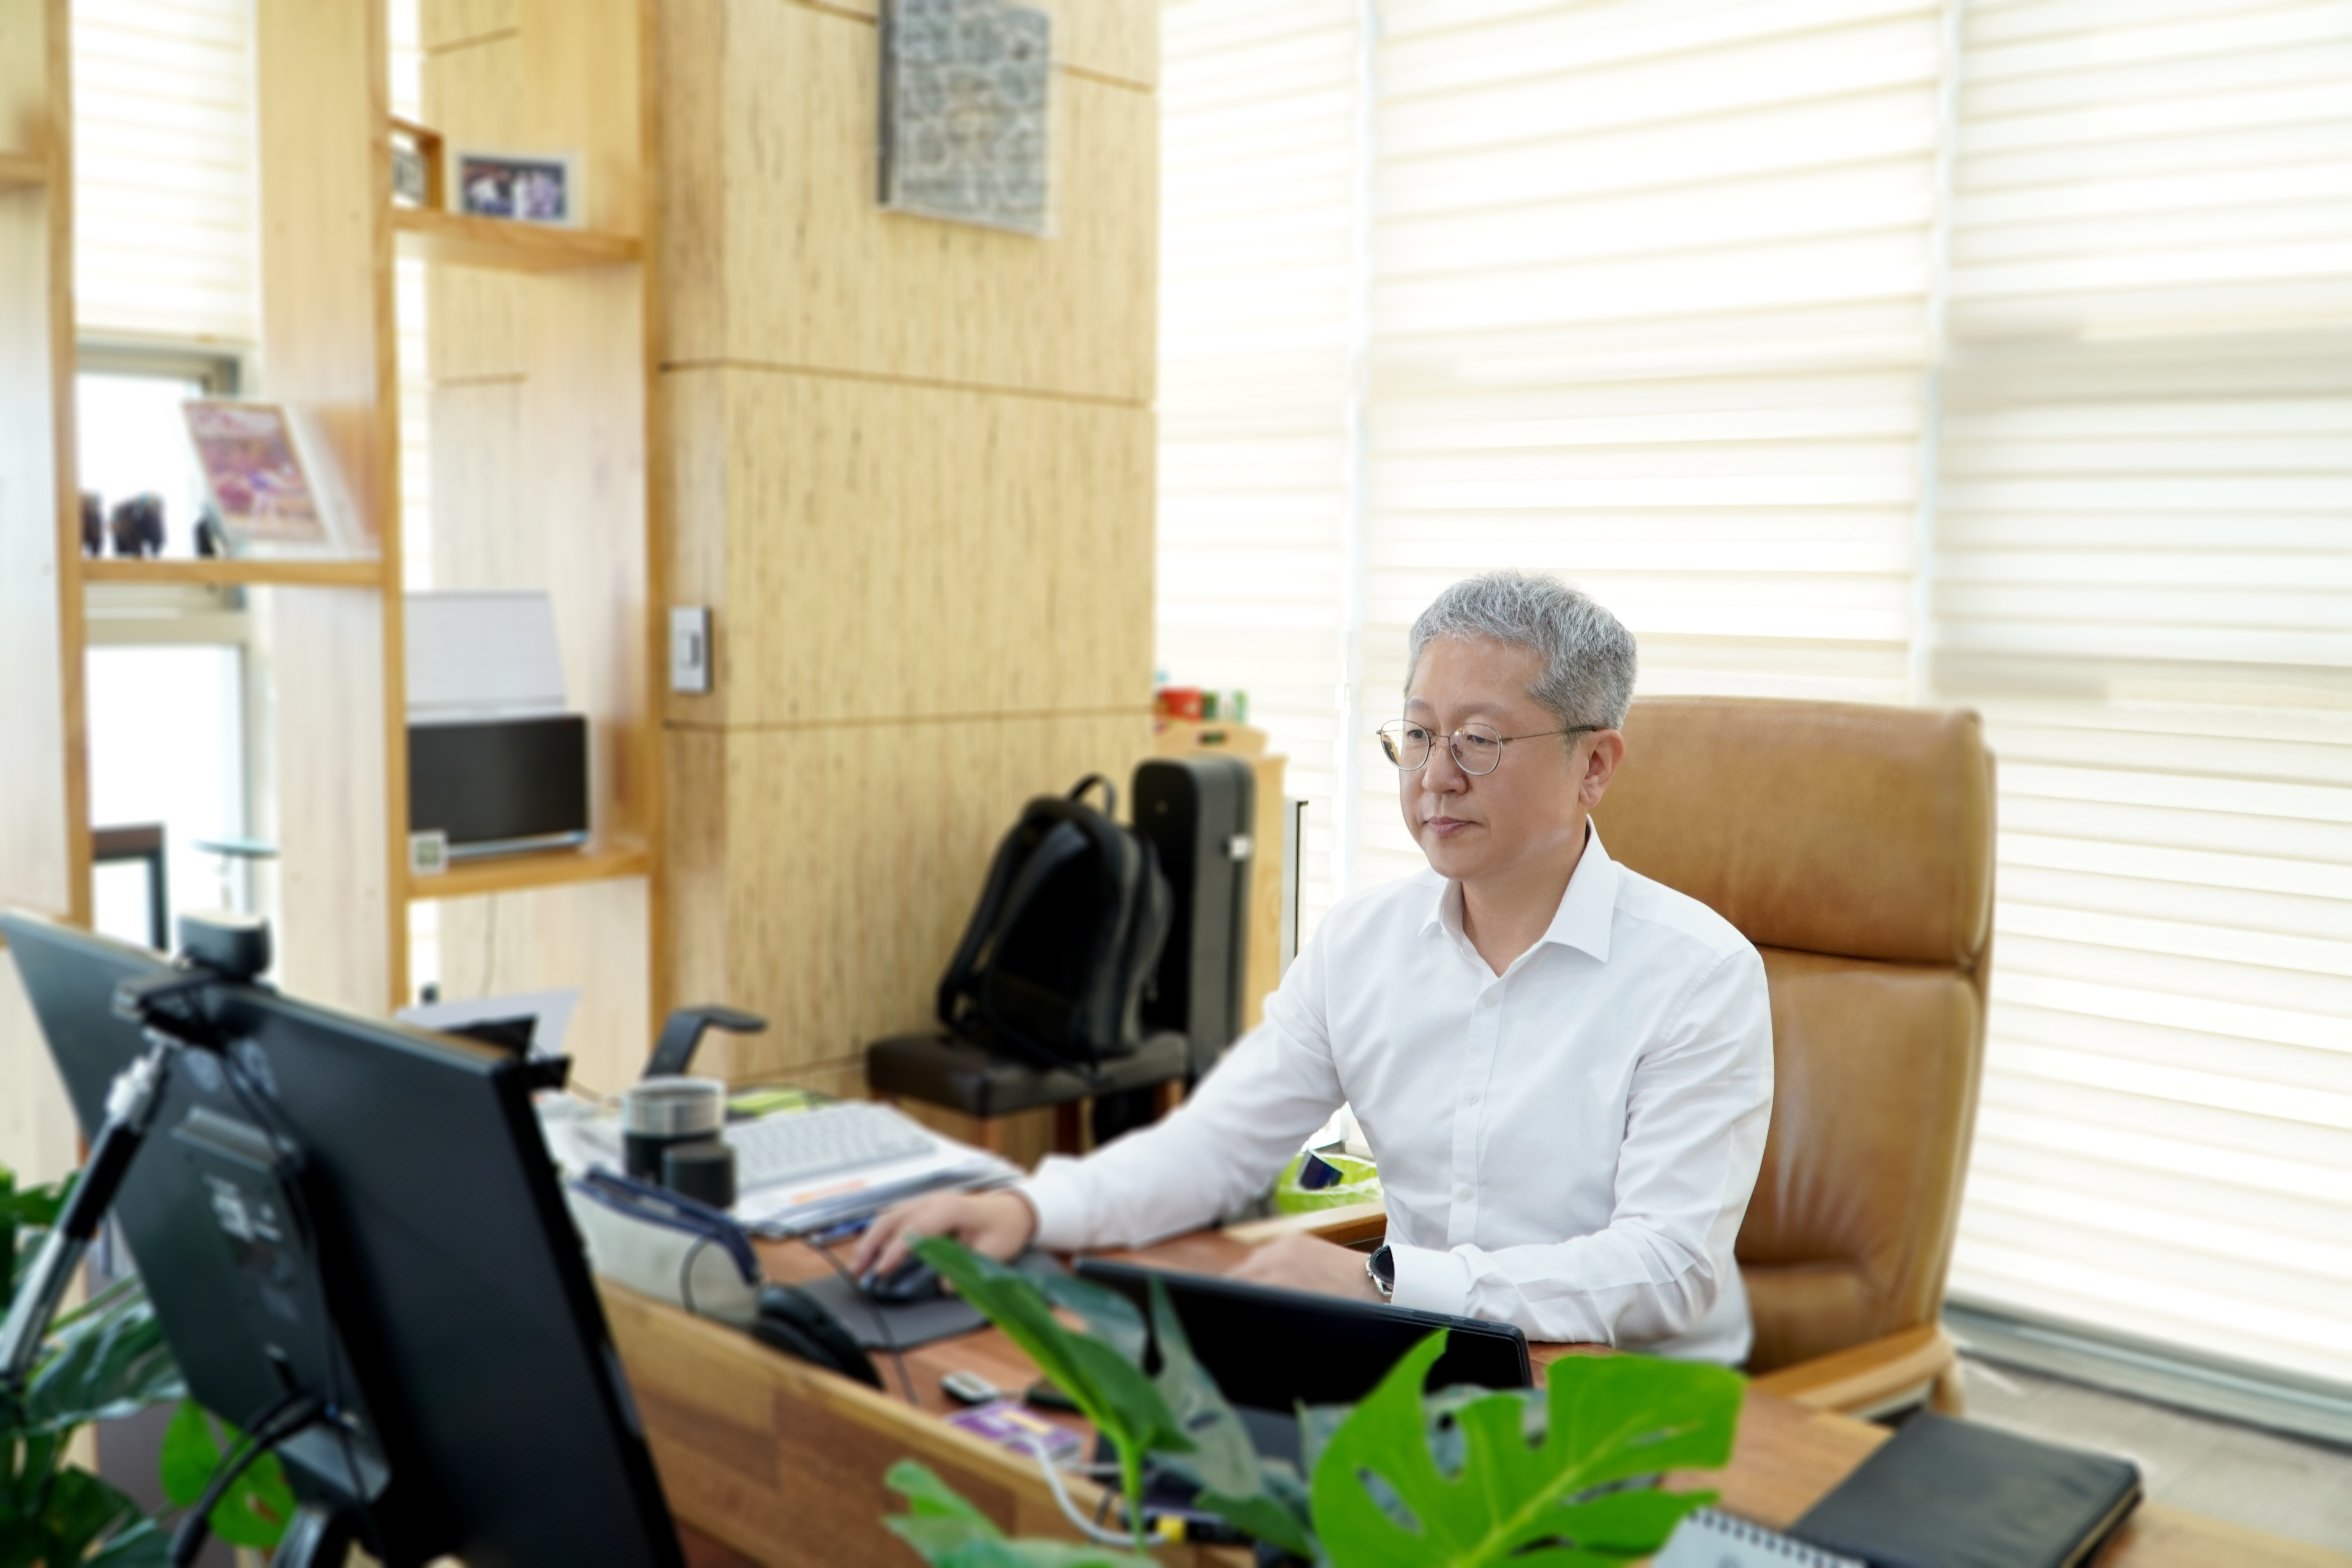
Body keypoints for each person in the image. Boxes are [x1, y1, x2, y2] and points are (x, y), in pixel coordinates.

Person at [855, 570, 1774, 1359]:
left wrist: (1389, 1281)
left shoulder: (1698, 974)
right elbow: (1216, 1145)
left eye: (1479, 740)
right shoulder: (1361, 942)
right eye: (1418, 734)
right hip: (1412, 1367)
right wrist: (1028, 1210)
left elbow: (1667, 1268)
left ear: (1595, 765)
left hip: (1623, 1401)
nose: (1435, 776)